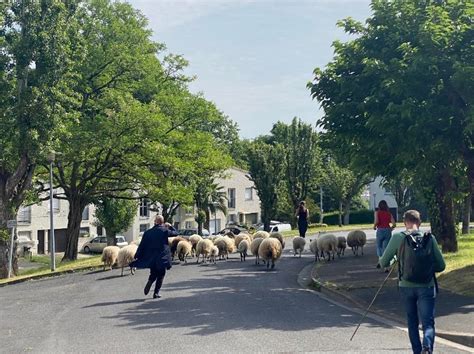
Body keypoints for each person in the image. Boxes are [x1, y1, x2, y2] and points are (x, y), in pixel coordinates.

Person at [379, 210, 445, 354]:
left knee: (412, 322)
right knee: (428, 323)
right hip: (427, 286)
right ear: (419, 222)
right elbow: (441, 266)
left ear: (405, 222)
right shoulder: (430, 238)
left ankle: (417, 351)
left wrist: (395, 259)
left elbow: (384, 262)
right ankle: (427, 347)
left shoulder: (397, 237)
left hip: (406, 286)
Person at [130, 215, 178, 299]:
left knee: (153, 273)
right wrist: (170, 226)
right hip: (162, 257)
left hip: (152, 258)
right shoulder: (164, 231)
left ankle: (150, 281)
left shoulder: (148, 232)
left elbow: (142, 245)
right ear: (162, 222)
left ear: (155, 222)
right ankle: (156, 293)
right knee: (161, 274)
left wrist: (137, 255)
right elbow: (175, 233)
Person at [373, 200, 396, 271]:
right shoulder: (389, 214)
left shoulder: (377, 213)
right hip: (387, 231)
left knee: (379, 246)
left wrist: (374, 226)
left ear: (379, 206)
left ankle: (380, 261)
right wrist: (391, 228)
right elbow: (394, 223)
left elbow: (377, 221)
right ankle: (387, 267)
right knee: (386, 248)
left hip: (380, 230)